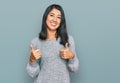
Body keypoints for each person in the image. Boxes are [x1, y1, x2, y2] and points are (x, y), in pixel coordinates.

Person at [26, 4, 79, 83]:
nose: (55, 19)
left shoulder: (68, 40)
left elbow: (74, 69)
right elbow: (32, 73)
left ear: (61, 21)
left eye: (58, 17)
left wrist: (72, 56)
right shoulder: (36, 42)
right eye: (52, 15)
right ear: (45, 17)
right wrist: (32, 60)